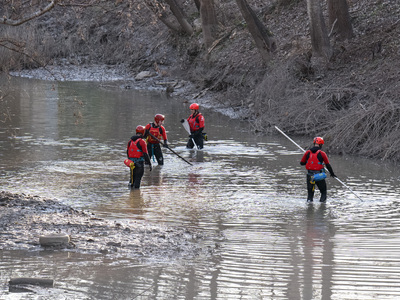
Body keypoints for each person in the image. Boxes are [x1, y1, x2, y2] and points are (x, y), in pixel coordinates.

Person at [300, 137, 336, 202]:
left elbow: (302, 163)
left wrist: (309, 161)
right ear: (321, 145)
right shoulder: (322, 153)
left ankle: (309, 208)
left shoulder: (307, 152)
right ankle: (322, 207)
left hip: (310, 176)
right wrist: (332, 174)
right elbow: (328, 165)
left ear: (314, 143)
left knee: (310, 195)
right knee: (323, 192)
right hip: (319, 176)